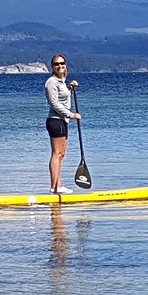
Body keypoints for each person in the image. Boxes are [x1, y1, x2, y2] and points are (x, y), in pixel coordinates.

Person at [45, 54, 81, 194]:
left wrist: (70, 89)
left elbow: (64, 100)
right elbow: (54, 103)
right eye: (56, 64)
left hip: (62, 121)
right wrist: (72, 115)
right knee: (56, 153)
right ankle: (54, 187)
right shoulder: (51, 82)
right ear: (52, 67)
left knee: (61, 154)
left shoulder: (60, 82)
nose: (60, 66)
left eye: (62, 63)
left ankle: (58, 185)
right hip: (55, 121)